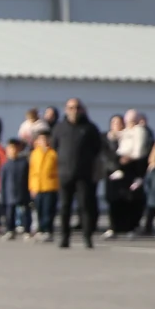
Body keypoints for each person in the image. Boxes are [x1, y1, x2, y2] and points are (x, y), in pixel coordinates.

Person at [52, 98, 102, 249]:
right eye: (71, 108)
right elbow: (55, 147)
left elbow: (97, 148)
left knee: (85, 206)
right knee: (65, 207)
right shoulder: (60, 128)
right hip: (65, 174)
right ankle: (64, 237)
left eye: (77, 108)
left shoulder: (90, 128)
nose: (74, 111)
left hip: (84, 174)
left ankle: (87, 237)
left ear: (82, 110)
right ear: (66, 110)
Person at [28, 130, 59, 241]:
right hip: (37, 186)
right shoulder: (35, 154)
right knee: (39, 209)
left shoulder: (53, 153)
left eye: (45, 139)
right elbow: (31, 172)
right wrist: (31, 187)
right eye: (41, 139)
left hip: (50, 185)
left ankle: (48, 230)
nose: (43, 141)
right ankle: (40, 229)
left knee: (48, 209)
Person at [0, 138, 31, 239]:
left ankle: (27, 230)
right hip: (10, 192)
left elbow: (28, 178)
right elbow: (2, 182)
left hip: (23, 192)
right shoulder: (5, 165)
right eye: (10, 148)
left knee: (25, 211)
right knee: (10, 213)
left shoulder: (24, 163)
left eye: (14, 148)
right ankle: (10, 230)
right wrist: (2, 195)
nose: (12, 151)